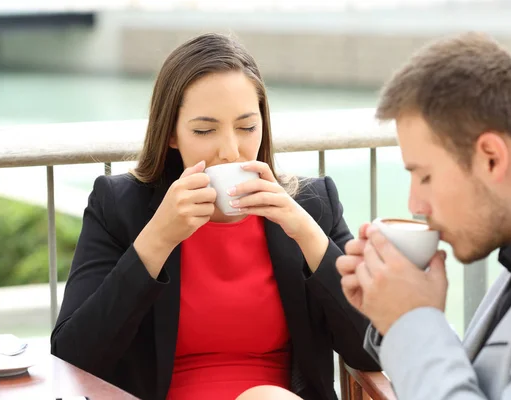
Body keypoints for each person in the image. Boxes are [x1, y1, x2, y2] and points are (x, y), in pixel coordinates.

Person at [50, 33, 379, 400]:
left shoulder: (314, 206)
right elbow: (73, 358)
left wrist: (305, 232)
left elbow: (374, 348)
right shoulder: (120, 207)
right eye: (205, 130)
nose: (231, 151)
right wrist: (157, 238)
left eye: (247, 127)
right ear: (171, 133)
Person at [336, 32, 511, 400]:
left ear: (491, 157)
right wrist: (393, 316)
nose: (415, 203)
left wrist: (412, 321)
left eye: (424, 175)